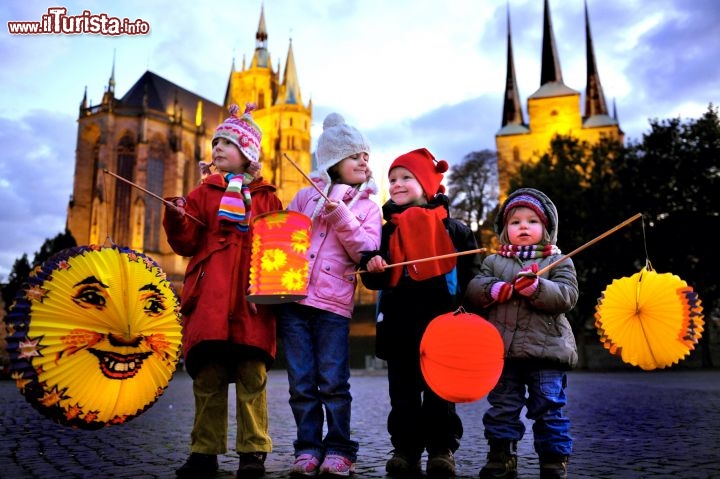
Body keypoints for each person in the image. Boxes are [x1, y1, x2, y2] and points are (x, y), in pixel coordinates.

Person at [163, 103, 283, 479]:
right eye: (215, 143)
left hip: (251, 305)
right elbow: (185, 242)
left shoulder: (267, 197)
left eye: (227, 143)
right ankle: (204, 451)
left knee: (253, 377)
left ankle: (253, 451)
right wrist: (177, 216)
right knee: (208, 379)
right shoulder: (203, 192)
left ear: (247, 153)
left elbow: (280, 250)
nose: (217, 149)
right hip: (211, 302)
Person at [359, 148, 478, 479]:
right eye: (392, 179)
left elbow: (471, 275)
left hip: (442, 323)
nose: (396, 184)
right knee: (403, 393)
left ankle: (442, 450)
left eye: (405, 178)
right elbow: (370, 275)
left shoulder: (455, 230)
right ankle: (406, 450)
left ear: (427, 184)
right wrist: (373, 265)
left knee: (441, 392)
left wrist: (471, 309)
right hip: (399, 325)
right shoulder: (384, 231)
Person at [276, 113, 382, 477]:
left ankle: (339, 449)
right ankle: (307, 448)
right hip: (293, 303)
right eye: (356, 156)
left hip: (333, 307)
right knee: (301, 382)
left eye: (367, 156)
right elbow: (285, 240)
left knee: (334, 382)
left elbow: (366, 251)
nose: (364, 162)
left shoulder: (368, 207)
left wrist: (342, 217)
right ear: (334, 162)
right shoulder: (305, 195)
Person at [464, 187, 579, 479]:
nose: (523, 226)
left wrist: (538, 288)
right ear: (505, 230)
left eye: (532, 221)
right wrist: (493, 290)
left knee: (549, 406)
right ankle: (501, 454)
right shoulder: (493, 262)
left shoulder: (559, 261)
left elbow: (567, 296)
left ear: (546, 228)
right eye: (515, 222)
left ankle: (554, 457)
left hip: (546, 352)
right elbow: (474, 290)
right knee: (502, 407)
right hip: (502, 353)